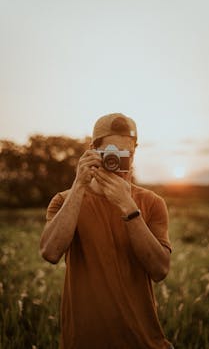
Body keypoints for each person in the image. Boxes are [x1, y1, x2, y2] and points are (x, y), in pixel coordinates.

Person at [40, 113, 173, 349]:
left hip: (142, 341)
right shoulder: (64, 201)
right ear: (92, 150)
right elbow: (50, 252)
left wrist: (128, 207)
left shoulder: (152, 203)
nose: (117, 160)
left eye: (126, 154)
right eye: (110, 152)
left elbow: (160, 269)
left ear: (134, 152)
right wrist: (79, 185)